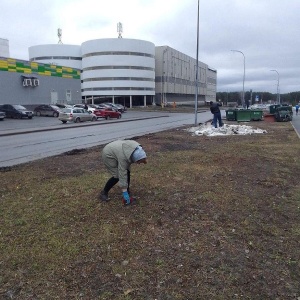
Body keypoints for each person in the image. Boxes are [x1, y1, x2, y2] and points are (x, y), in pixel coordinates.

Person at [99, 140, 147, 206]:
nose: (138, 164)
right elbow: (122, 173)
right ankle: (104, 193)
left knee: (127, 171)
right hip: (108, 155)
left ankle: (127, 192)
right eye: (138, 162)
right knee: (118, 175)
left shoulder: (136, 149)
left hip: (117, 151)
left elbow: (140, 157)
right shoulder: (124, 158)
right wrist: (125, 194)